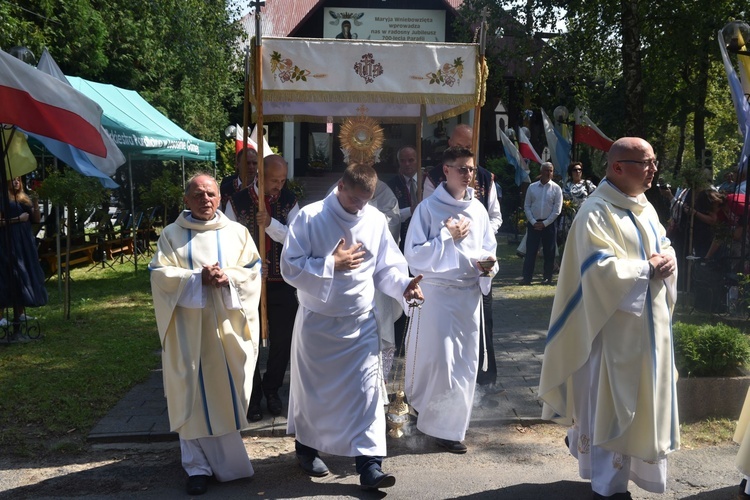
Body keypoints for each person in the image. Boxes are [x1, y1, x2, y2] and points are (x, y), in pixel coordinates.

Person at [538, 137, 679, 499]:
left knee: (643, 403)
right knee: (611, 405)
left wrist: (669, 260)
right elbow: (597, 271)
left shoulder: (645, 208)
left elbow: (662, 244)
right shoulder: (595, 212)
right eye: (645, 163)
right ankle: (609, 485)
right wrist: (645, 270)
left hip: (649, 329)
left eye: (654, 161)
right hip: (613, 331)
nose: (653, 169)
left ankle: (630, 472)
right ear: (617, 167)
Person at [280, 163, 423, 491]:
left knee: (368, 394)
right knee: (315, 396)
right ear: (341, 187)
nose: (360, 207)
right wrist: (332, 263)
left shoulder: (373, 219)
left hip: (360, 324)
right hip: (318, 325)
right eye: (355, 199)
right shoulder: (310, 217)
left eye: (366, 200)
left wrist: (404, 285)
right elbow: (290, 266)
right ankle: (307, 449)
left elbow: (387, 267)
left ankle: (370, 466)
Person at [149, 173, 262, 495]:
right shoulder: (171, 235)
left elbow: (253, 272)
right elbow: (160, 275)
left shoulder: (237, 233)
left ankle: (228, 464)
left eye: (211, 193)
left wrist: (226, 277)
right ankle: (196, 467)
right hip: (187, 333)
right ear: (186, 199)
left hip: (225, 333)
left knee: (225, 393)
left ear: (219, 196)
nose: (205, 200)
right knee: (191, 394)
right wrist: (198, 278)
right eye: (197, 194)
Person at [404, 146, 497, 454]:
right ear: (445, 170)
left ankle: (451, 428)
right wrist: (447, 236)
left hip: (468, 295)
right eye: (461, 169)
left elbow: (487, 249)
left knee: (464, 364)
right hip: (437, 295)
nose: (468, 175)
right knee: (440, 362)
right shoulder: (428, 209)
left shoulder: (479, 210)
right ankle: (432, 419)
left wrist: (489, 265)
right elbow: (413, 256)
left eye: (471, 169)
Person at [423, 124, 502, 386]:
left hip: (474, 275)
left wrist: (480, 240)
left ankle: (483, 379)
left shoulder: (484, 177)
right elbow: (429, 224)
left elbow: (493, 217)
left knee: (482, 326)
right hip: (443, 284)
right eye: (460, 146)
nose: (467, 173)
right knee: (442, 346)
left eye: (469, 147)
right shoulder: (433, 180)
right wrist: (449, 237)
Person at [225, 155, 300, 422]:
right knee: (250, 341)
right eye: (274, 180)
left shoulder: (290, 201)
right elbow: (228, 242)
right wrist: (250, 268)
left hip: (281, 283)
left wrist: (271, 225)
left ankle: (272, 389)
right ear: (259, 175)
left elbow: (297, 238)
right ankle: (253, 395)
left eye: (282, 180)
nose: (279, 186)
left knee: (283, 340)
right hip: (248, 284)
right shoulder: (237, 202)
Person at [0, 176, 47, 333]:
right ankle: (0, 316)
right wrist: (17, 219)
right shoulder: (2, 198)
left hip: (24, 243)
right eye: (13, 180)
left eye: (18, 180)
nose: (16, 182)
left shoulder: (23, 198)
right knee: (7, 275)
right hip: (7, 241)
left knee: (23, 273)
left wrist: (35, 202)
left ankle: (19, 313)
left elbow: (36, 219)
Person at [521, 162, 562, 285]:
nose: (549, 173)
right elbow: (527, 206)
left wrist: (545, 223)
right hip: (534, 223)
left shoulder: (556, 188)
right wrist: (533, 222)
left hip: (549, 224)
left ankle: (547, 277)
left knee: (549, 253)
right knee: (531, 252)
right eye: (546, 170)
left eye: (551, 171)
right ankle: (527, 277)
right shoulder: (532, 187)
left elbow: (557, 210)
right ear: (541, 171)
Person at [386, 146, 419, 253]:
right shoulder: (390, 185)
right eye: (403, 161)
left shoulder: (428, 181)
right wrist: (410, 211)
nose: (407, 164)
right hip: (402, 239)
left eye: (411, 160)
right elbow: (388, 216)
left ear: (418, 160)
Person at [220, 146, 259, 211]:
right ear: (237, 164)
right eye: (247, 163)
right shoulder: (225, 188)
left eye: (254, 163)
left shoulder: (263, 187)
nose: (251, 167)